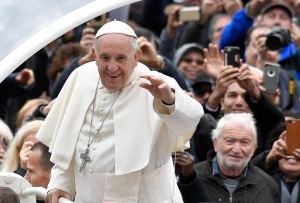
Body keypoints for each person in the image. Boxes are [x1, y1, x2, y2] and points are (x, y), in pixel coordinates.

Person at [37, 20, 203, 203]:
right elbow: (66, 144)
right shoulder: (80, 77)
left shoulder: (156, 84)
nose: (112, 67)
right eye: (105, 58)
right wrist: (61, 183)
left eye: (121, 58)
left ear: (136, 56)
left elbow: (192, 119)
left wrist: (169, 101)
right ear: (94, 55)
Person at [178, 113, 280, 203]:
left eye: (244, 142)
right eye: (230, 141)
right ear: (215, 143)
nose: (236, 149)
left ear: (254, 148)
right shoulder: (191, 179)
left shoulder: (268, 185)